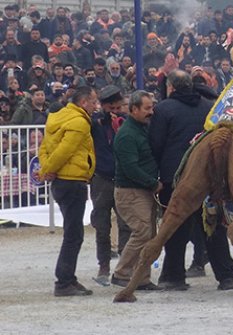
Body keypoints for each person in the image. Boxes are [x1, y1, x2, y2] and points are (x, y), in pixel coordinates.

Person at [150, 70, 233, 291]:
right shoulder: (207, 107)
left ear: (171, 87)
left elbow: (155, 143)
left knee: (176, 226)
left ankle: (174, 275)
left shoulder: (163, 109)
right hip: (210, 176)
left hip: (177, 176)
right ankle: (225, 275)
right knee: (213, 226)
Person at [38, 86, 98, 297]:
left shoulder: (57, 119)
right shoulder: (79, 122)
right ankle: (64, 281)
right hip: (73, 181)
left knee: (73, 233)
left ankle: (68, 279)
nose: (95, 106)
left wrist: (47, 169)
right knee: (74, 235)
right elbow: (65, 150)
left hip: (61, 182)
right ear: (83, 102)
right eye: (93, 101)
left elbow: (44, 148)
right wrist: (48, 170)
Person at [110, 90, 162, 291]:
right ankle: (122, 273)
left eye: (152, 107)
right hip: (131, 192)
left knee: (149, 235)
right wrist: (152, 183)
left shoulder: (141, 129)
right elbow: (130, 168)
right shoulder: (127, 135)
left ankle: (141, 277)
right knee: (143, 232)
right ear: (133, 110)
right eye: (147, 108)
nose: (151, 112)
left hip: (142, 191)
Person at [89, 85, 131, 286]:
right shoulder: (96, 123)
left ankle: (124, 267)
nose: (114, 110)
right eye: (110, 107)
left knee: (126, 224)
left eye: (117, 106)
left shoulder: (127, 122)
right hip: (102, 177)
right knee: (102, 224)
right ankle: (103, 265)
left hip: (122, 178)